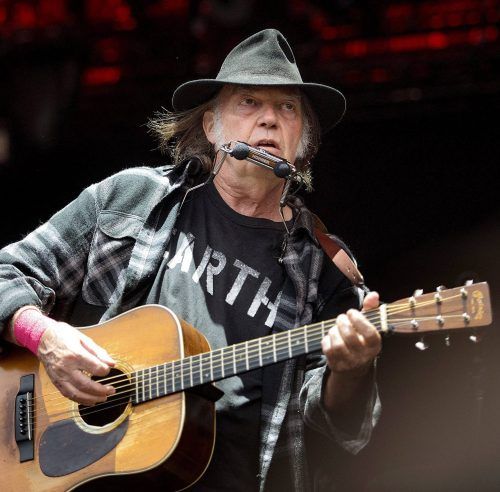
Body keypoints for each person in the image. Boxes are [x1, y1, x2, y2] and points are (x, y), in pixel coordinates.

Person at [0, 29, 381, 491]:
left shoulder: (324, 270)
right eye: (248, 102)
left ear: (303, 141)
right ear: (210, 126)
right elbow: (7, 273)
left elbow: (344, 431)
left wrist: (352, 371)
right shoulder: (132, 199)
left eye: (287, 108)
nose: (269, 119)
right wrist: (44, 338)